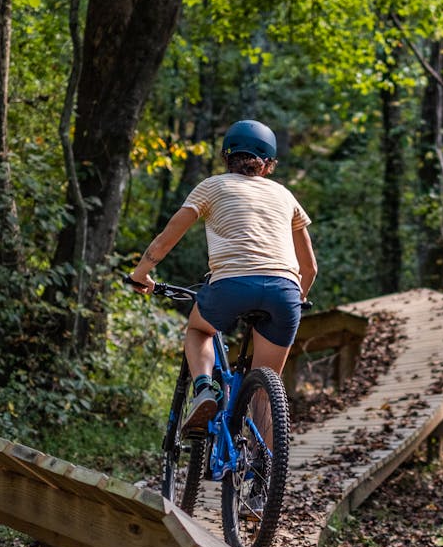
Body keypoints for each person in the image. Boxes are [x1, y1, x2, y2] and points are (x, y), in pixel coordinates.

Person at [128, 119, 318, 431]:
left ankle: (204, 388)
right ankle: (269, 474)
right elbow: (309, 267)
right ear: (268, 165)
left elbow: (165, 240)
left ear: (225, 159)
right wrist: (300, 297)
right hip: (284, 288)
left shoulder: (212, 186)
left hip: (231, 284)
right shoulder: (285, 196)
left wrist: (141, 275)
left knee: (198, 330)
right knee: (266, 396)